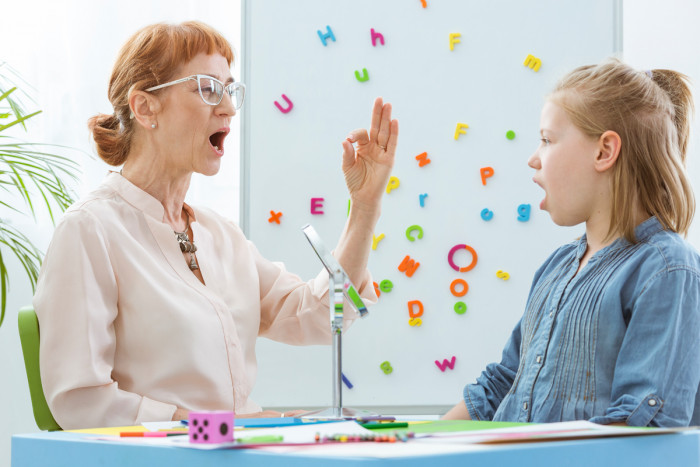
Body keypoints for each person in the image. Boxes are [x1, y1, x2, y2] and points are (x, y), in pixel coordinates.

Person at [33, 21, 399, 430]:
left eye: (229, 89)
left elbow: (320, 314)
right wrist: (218, 428)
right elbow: (78, 399)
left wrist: (364, 207)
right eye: (207, 88)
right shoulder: (90, 231)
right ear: (145, 107)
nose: (227, 107)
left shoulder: (220, 235)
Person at [443, 59, 700, 427]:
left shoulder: (667, 271)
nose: (533, 158)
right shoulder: (556, 266)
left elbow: (639, 427)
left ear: (604, 151)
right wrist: (415, 444)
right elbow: (502, 386)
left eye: (547, 140)